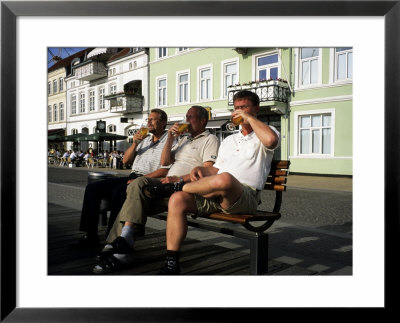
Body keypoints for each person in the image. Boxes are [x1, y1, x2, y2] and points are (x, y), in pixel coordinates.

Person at [157, 90, 281, 274]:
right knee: (177, 200)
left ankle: (178, 186)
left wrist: (249, 118)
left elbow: (270, 141)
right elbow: (216, 169)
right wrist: (201, 170)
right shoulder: (229, 140)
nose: (239, 111)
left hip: (244, 197)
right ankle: (171, 262)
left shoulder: (266, 133)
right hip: (217, 193)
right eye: (237, 108)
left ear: (256, 109)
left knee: (225, 179)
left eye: (244, 107)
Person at [93, 105, 220, 274]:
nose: (186, 120)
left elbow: (207, 170)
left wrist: (180, 179)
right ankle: (123, 242)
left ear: (203, 120)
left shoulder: (210, 139)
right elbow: (166, 162)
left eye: (190, 117)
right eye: (186, 116)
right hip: (165, 185)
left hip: (182, 187)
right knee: (135, 190)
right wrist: (169, 138)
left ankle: (119, 250)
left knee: (134, 194)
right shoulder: (184, 139)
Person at [71, 109, 170, 249]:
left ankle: (112, 241)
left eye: (152, 119)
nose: (148, 122)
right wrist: (135, 143)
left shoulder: (170, 140)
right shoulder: (145, 139)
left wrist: (140, 180)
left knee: (119, 192)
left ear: (163, 122)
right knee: (92, 188)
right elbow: (125, 161)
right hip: (133, 176)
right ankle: (90, 236)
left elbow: (166, 169)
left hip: (149, 181)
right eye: (147, 119)